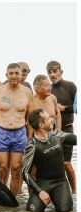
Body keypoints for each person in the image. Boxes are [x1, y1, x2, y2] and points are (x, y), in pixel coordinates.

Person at [0, 63, 34, 197]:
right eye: (11, 73)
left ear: (21, 75)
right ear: (6, 75)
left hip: (20, 132)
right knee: (2, 168)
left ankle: (13, 199)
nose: (14, 76)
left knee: (16, 168)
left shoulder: (27, 92)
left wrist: (30, 136)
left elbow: (30, 117)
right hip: (1, 131)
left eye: (16, 73)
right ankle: (1, 197)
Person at [22, 109, 76, 212]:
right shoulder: (32, 146)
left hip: (61, 182)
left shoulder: (57, 135)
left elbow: (76, 139)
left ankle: (57, 198)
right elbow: (24, 173)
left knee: (64, 211)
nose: (52, 120)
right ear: (41, 125)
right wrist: (40, 192)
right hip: (43, 184)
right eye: (48, 119)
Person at [47, 60, 77, 193]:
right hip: (50, 131)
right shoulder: (47, 88)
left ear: (61, 72)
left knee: (66, 164)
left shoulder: (70, 86)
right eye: (50, 71)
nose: (52, 74)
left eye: (55, 70)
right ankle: (58, 192)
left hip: (67, 129)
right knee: (52, 165)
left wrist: (64, 108)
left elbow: (77, 107)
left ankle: (75, 192)